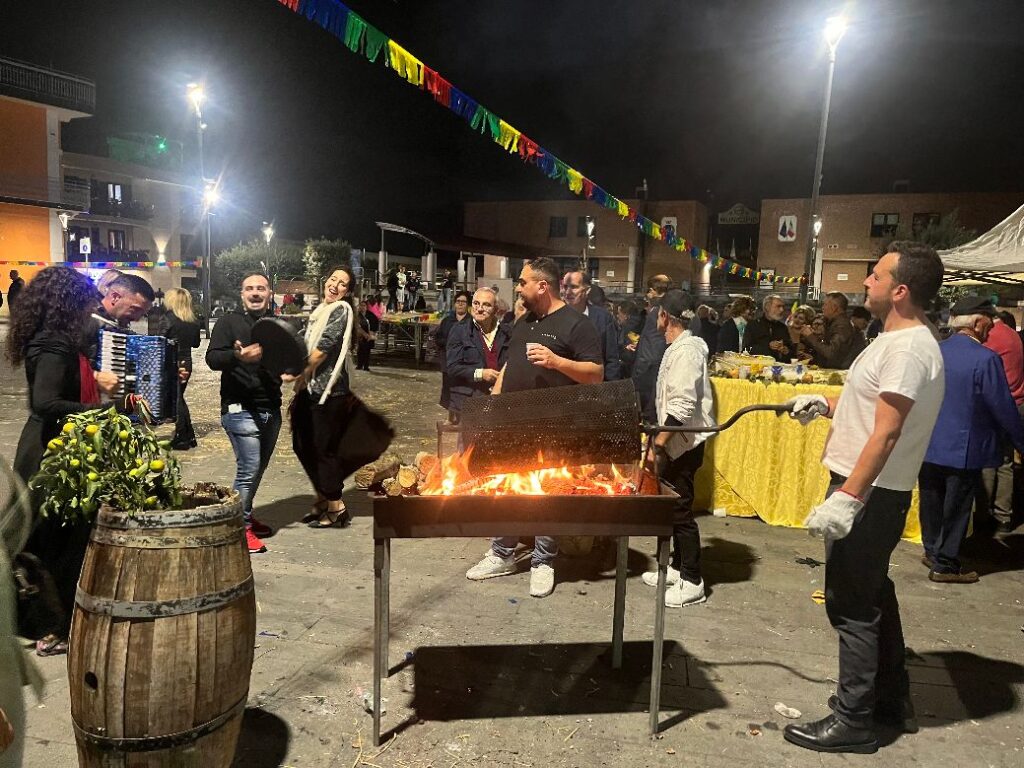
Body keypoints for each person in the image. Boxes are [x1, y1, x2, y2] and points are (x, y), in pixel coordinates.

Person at [782, 241, 946, 754]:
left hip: (870, 492)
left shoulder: (908, 347)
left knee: (851, 605)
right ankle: (891, 701)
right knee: (874, 594)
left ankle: (854, 720)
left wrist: (849, 496)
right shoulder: (892, 340)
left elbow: (888, 433)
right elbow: (874, 408)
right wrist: (827, 404)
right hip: (873, 490)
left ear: (900, 290)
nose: (865, 283)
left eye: (874, 276)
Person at [466, 257, 603, 598]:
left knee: (547, 493)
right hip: (513, 421)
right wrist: (494, 404)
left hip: (555, 425)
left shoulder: (577, 325)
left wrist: (558, 362)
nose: (518, 287)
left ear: (542, 286)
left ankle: (543, 561)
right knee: (509, 488)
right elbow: (511, 365)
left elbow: (596, 374)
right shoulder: (523, 320)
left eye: (524, 282)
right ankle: (502, 552)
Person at [7, 267, 121, 657]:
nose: (93, 304)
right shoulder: (54, 342)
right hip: (49, 452)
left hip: (45, 445)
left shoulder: (52, 337)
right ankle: (53, 626)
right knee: (58, 540)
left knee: (48, 537)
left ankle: (42, 619)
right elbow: (46, 403)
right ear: (69, 301)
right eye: (87, 298)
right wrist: (104, 412)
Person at [919, 296, 1024, 584]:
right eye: (989, 324)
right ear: (978, 324)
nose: (990, 331)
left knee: (931, 502)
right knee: (956, 507)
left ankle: (932, 550)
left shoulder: (935, 352)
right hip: (963, 448)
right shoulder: (985, 359)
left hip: (928, 443)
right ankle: (945, 563)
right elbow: (1003, 406)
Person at [640, 290, 715, 607]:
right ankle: (673, 567)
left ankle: (692, 579)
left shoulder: (686, 352)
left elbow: (682, 407)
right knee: (670, 507)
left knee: (680, 509)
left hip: (682, 444)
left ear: (664, 316)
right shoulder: (679, 348)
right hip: (675, 442)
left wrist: (658, 445)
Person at [206, 272, 282, 554]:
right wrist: (237, 356)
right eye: (249, 288)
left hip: (270, 407)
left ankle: (245, 513)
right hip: (239, 407)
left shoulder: (275, 324)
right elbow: (212, 358)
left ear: (269, 293)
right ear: (242, 294)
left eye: (260, 288)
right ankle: (239, 527)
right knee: (248, 468)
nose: (255, 293)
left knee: (258, 467)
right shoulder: (228, 322)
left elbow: (285, 360)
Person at [287, 265, 359, 529]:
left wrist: (298, 373)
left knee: (323, 449)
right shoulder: (320, 310)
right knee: (301, 444)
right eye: (332, 279)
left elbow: (322, 349)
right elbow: (304, 343)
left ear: (347, 291)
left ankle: (336, 506)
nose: (335, 285)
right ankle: (325, 497)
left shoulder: (341, 310)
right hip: (312, 390)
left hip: (330, 393)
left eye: (342, 283)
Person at [978, 305, 1024, 534]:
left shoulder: (992, 338)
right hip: (1016, 403)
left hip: (999, 405)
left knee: (988, 462)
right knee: (1005, 463)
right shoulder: (1011, 333)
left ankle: (985, 515)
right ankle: (1003, 516)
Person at [446, 287, 510, 420]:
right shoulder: (459, 331)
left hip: (499, 401)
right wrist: (481, 374)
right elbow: (452, 368)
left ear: (496, 310)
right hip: (469, 402)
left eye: (486, 305)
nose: (480, 308)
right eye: (476, 303)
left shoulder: (506, 332)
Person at [561, 269, 621, 380]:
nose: (568, 292)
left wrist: (607, 391)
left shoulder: (603, 318)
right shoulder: (555, 317)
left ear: (587, 290)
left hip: (595, 386)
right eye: (565, 287)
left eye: (573, 287)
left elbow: (611, 358)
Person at [160, 288, 201, 450]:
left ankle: (183, 436)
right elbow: (196, 343)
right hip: (187, 361)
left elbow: (160, 341)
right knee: (179, 398)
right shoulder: (193, 321)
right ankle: (188, 435)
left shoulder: (168, 319)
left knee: (176, 399)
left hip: (172, 361)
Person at [631, 275, 674, 422]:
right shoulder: (671, 309)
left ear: (652, 291)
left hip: (650, 376)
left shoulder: (657, 313)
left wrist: (638, 374)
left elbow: (651, 352)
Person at [800, 292, 865, 369]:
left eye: (825, 304)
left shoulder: (842, 326)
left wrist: (810, 336)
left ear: (834, 308)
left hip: (839, 373)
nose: (822, 308)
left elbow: (831, 353)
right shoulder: (836, 323)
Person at [435, 290, 471, 421]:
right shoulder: (447, 321)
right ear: (454, 304)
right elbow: (438, 339)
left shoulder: (471, 322)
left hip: (464, 362)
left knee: (462, 388)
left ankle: (461, 415)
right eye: (458, 301)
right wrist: (449, 345)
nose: (460, 304)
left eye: (463, 302)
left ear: (468, 305)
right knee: (448, 388)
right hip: (448, 361)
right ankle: (450, 414)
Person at [745, 295, 791, 361]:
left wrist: (786, 351)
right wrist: (767, 346)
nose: (782, 310)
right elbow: (746, 349)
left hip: (779, 368)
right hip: (758, 366)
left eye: (783, 307)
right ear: (767, 307)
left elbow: (791, 352)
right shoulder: (753, 325)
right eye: (778, 306)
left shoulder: (783, 328)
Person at [616, 299, 643, 377]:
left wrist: (623, 350)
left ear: (626, 316)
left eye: (619, 313)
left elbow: (628, 354)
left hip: (630, 371)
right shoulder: (644, 323)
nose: (617, 316)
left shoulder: (627, 330)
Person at [356, 299, 378, 371]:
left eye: (364, 306)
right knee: (360, 351)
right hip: (360, 336)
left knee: (367, 351)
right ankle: (359, 365)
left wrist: (371, 334)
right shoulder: (357, 316)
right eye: (361, 305)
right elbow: (356, 326)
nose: (362, 307)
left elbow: (375, 324)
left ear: (366, 307)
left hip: (369, 335)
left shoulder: (371, 316)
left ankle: (366, 366)